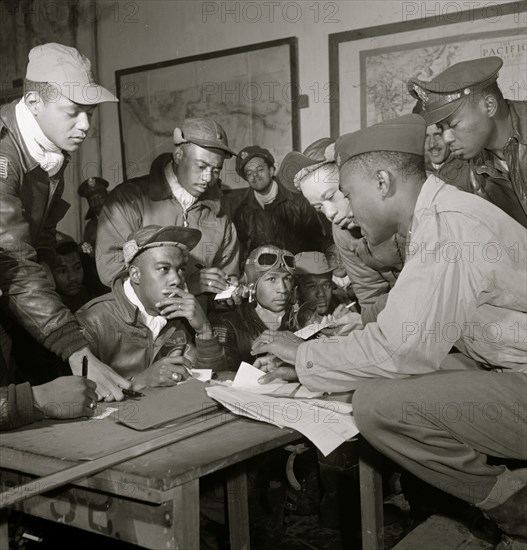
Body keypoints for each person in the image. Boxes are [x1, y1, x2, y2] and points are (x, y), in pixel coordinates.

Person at [252, 114, 527, 549]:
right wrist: (309, 368)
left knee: (379, 405)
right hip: (504, 367)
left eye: (345, 194)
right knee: (388, 381)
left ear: (382, 182)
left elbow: (401, 348)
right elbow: (408, 335)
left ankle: (515, 511)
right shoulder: (440, 214)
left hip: (517, 376)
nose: (343, 212)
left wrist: (303, 356)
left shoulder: (447, 228)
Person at [0, 43, 130, 400]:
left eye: (88, 112)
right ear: (34, 103)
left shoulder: (50, 145)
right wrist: (75, 348)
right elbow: (12, 261)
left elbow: (38, 235)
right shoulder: (3, 156)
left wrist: (44, 260)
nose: (85, 125)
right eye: (73, 111)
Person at [96, 118, 240, 301]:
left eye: (216, 170)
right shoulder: (128, 200)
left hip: (196, 324)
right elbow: (112, 272)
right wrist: (186, 287)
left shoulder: (219, 217)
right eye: (201, 166)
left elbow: (227, 271)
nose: (208, 178)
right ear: (178, 155)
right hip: (140, 327)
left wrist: (226, 291)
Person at [77, 225, 224, 389]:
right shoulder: (93, 320)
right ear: (135, 274)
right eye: (164, 269)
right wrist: (137, 382)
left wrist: (204, 331)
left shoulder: (182, 314)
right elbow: (76, 397)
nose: (176, 279)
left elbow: (212, 385)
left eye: (181, 269)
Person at [279, 150, 402, 324]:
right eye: (319, 207)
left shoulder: (405, 210)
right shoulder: (342, 232)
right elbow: (370, 294)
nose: (329, 213)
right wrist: (364, 322)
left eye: (330, 196)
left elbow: (424, 287)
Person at [408, 55, 527, 227]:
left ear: (489, 105)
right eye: (442, 128)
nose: (447, 138)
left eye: (454, 124)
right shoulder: (457, 173)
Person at [232, 146, 329, 263]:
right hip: (263, 275)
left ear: (271, 170)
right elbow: (241, 253)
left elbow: (317, 242)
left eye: (259, 169)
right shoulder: (242, 212)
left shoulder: (298, 201)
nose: (255, 175)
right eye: (249, 173)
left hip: (299, 270)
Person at [210, 245, 296, 372]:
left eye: (287, 279)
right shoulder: (229, 322)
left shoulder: (303, 319)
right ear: (252, 284)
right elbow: (222, 376)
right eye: (272, 279)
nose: (282, 289)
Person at [78, 176, 109, 249]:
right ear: (88, 203)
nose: (97, 203)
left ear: (107, 196)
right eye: (92, 200)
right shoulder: (90, 227)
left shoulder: (121, 216)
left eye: (101, 197)